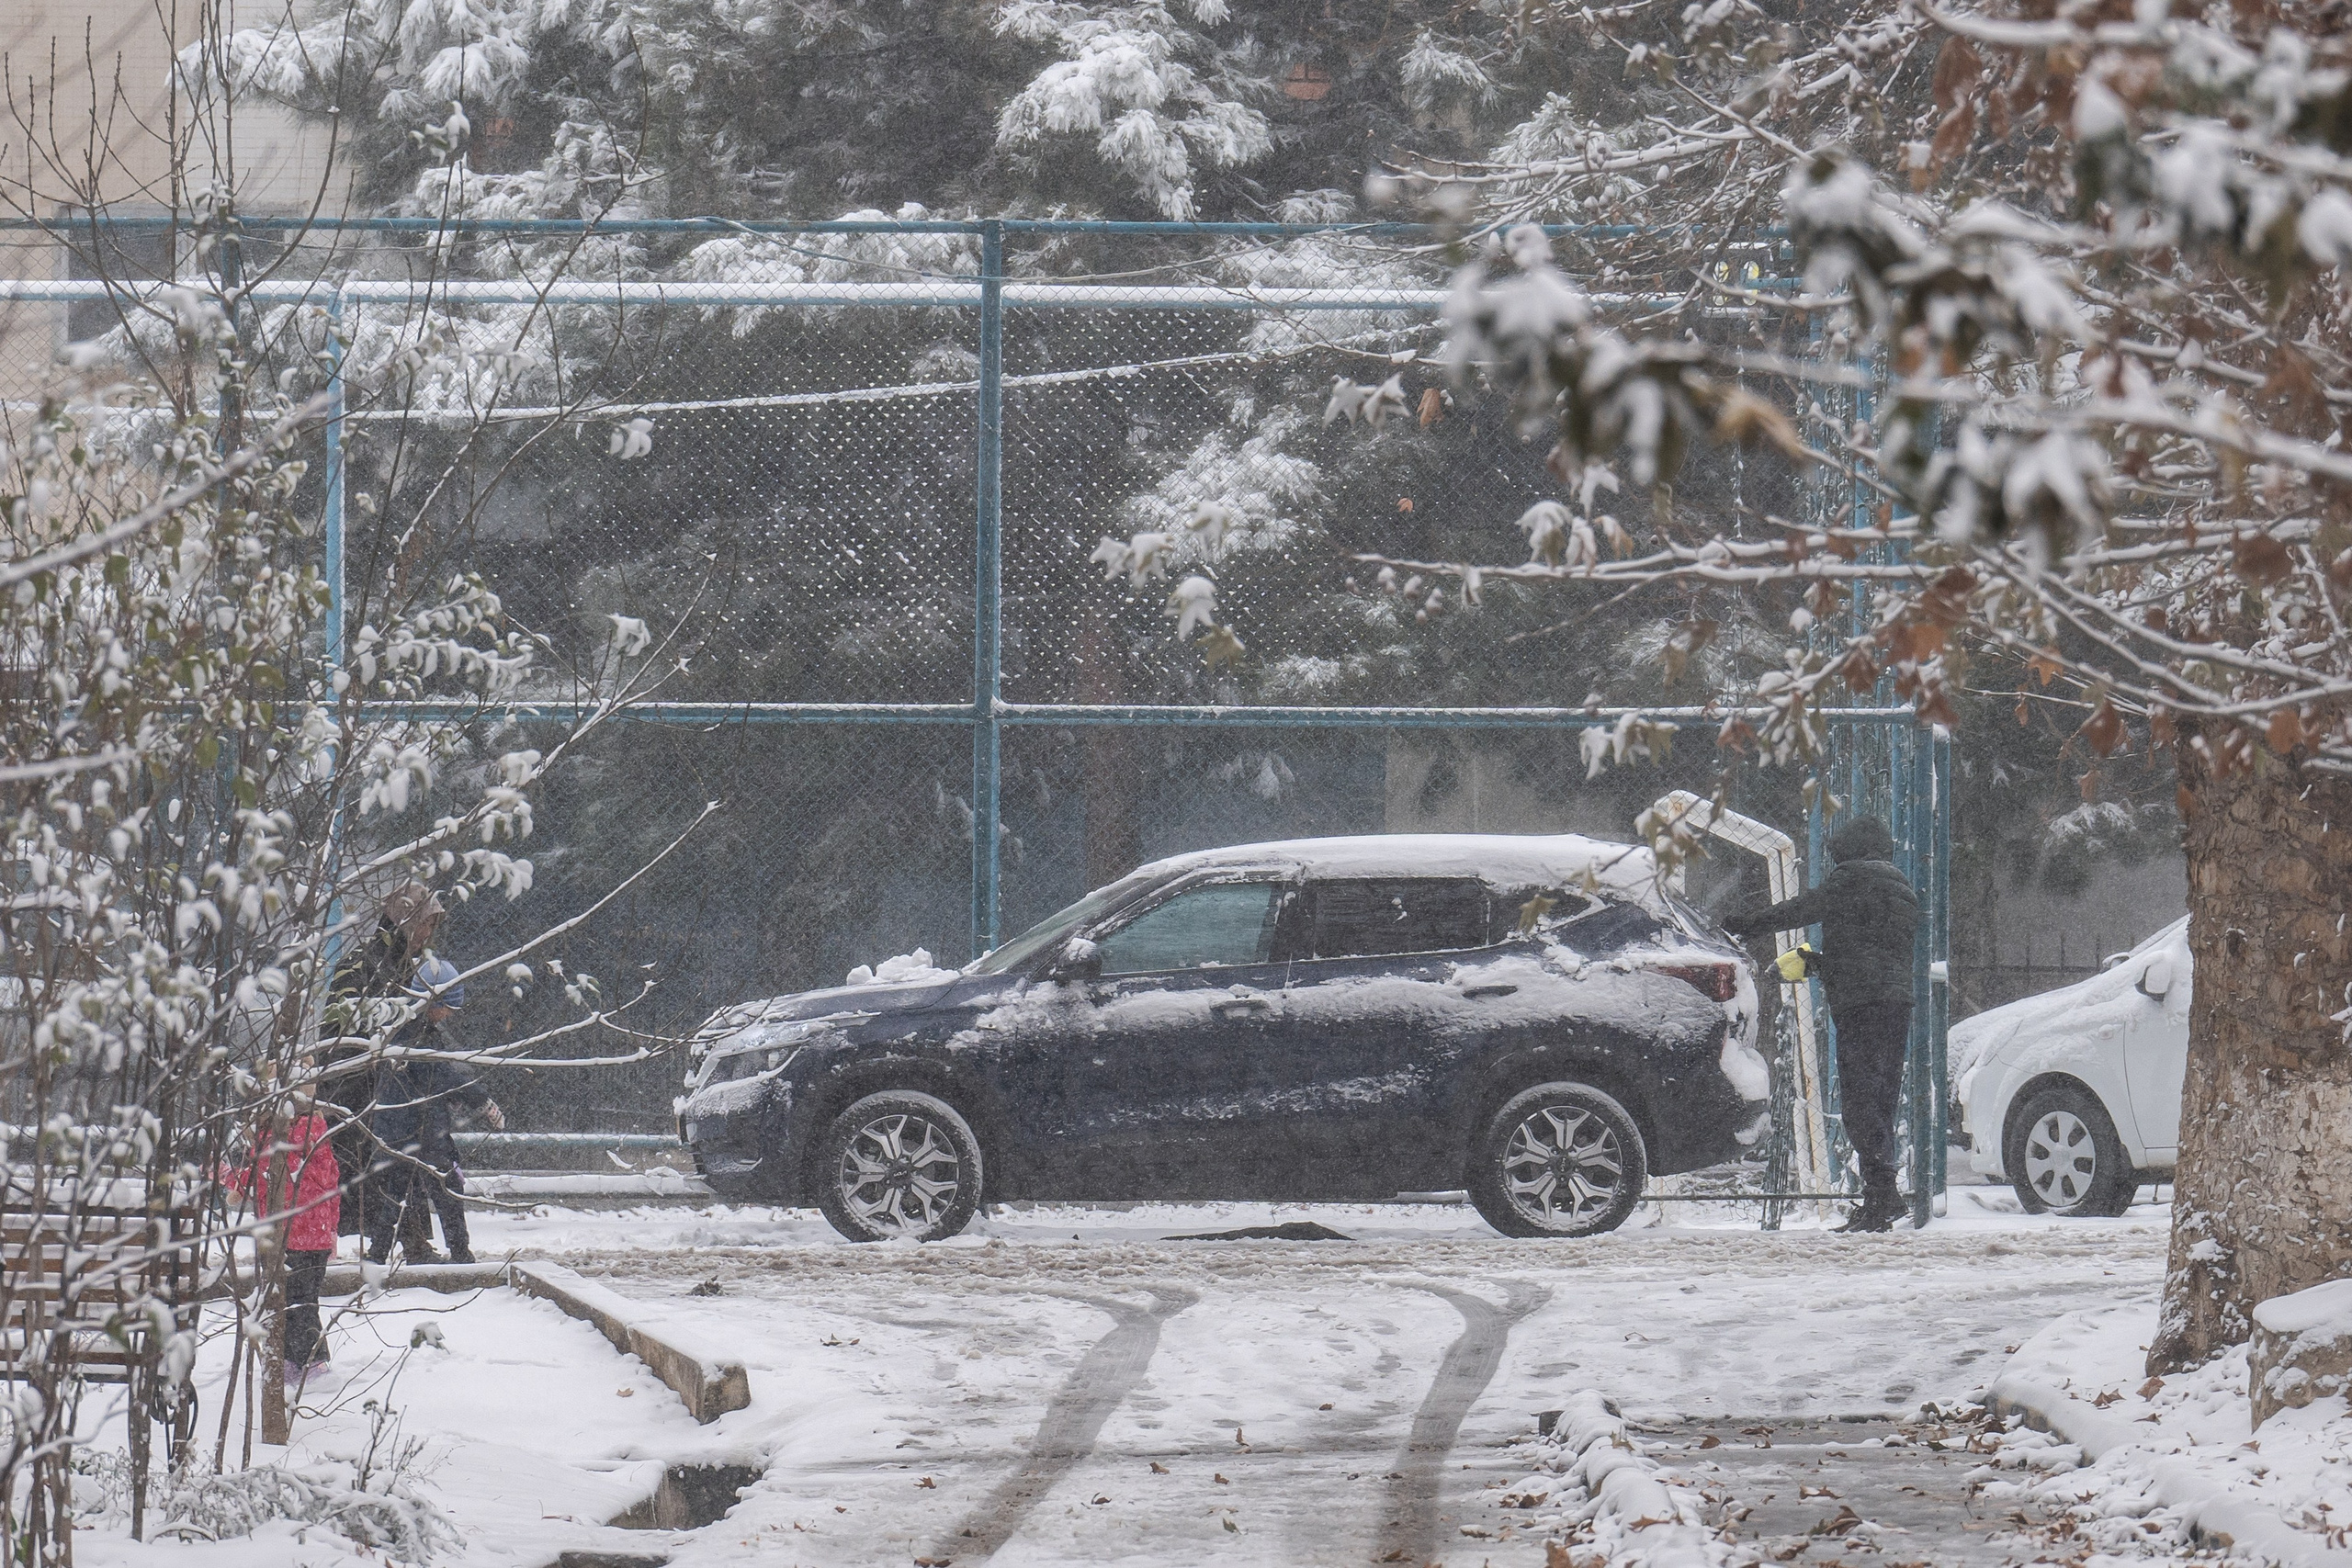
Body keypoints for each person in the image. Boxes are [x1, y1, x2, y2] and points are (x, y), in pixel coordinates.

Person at [1723, 816, 1921, 1234]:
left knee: (1858, 1103)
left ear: (1848, 852)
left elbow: (1800, 910)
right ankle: (1882, 1197)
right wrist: (1818, 964)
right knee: (1880, 1101)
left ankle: (1882, 1198)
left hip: (1860, 1006)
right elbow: (1874, 950)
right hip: (1896, 1003)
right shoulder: (1902, 888)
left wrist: (1745, 925)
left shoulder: (1851, 880)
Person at [323, 883, 446, 1240]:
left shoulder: (415, 969)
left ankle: (411, 1242)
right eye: (425, 923)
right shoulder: (363, 964)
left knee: (403, 1160)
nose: (428, 934)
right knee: (368, 1163)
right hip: (358, 1085)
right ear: (405, 921)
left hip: (398, 1085)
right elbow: (341, 1025)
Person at [365, 955, 504, 1266]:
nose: (448, 1016)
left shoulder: (398, 1027)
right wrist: (480, 1100)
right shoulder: (417, 1036)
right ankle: (460, 1253)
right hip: (422, 1128)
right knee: (448, 1188)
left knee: (396, 1193)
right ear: (433, 1002)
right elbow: (442, 1075)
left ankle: (376, 1256)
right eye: (447, 1008)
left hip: (392, 1126)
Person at [222, 1073, 340, 1381]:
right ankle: (304, 1361)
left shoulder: (276, 1144)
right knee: (305, 1301)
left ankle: (309, 1363)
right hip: (316, 1234)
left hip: (289, 1234)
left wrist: (226, 1176)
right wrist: (332, 1229)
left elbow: (262, 1182)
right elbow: (332, 1182)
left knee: (286, 1301)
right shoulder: (318, 1135)